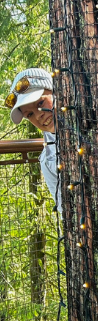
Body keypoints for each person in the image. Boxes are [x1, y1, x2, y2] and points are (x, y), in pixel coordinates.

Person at [4, 67, 61, 212]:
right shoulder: (48, 160)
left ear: (55, 91)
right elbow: (64, 210)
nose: (38, 115)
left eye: (40, 103)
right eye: (29, 115)